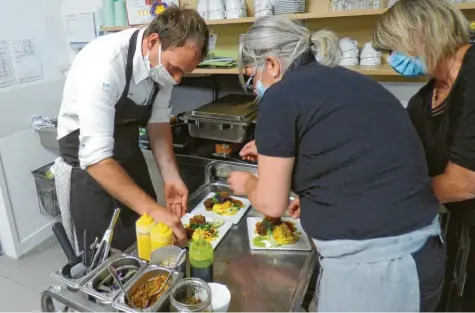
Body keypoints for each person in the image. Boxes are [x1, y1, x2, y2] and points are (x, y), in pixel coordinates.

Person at [228, 15, 445, 312]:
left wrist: (247, 183)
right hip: (418, 252)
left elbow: (271, 204)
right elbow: (351, 156)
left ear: (272, 64)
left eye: (253, 77)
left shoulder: (279, 97)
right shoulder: (349, 80)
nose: (255, 88)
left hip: (379, 268)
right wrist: (314, 196)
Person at [55, 7, 209, 251]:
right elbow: (95, 157)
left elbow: (157, 124)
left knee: (148, 235)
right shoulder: (104, 64)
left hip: (126, 151)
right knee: (104, 253)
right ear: (154, 41)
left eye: (183, 73)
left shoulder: (162, 65)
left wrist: (171, 178)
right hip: (89, 163)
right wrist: (153, 208)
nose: (177, 79)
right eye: (174, 69)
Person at [373, 0, 475, 311]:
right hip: (461, 226)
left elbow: (465, 183)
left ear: (422, 33)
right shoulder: (424, 99)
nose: (393, 59)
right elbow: (395, 153)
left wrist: (387, 201)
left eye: (394, 48)